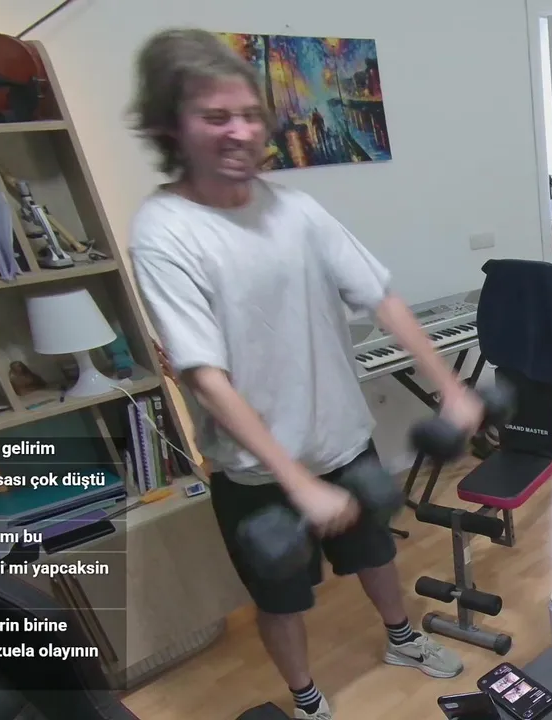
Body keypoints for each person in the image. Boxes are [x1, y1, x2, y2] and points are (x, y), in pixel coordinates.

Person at [126, 30, 482, 720]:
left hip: (342, 439)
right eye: (216, 117)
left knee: (376, 554)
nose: (240, 132)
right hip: (258, 472)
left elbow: (380, 297)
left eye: (249, 114)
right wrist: (298, 483)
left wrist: (450, 386)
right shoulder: (164, 231)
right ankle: (307, 698)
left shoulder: (295, 208)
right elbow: (204, 375)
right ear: (171, 126)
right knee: (282, 597)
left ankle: (402, 639)